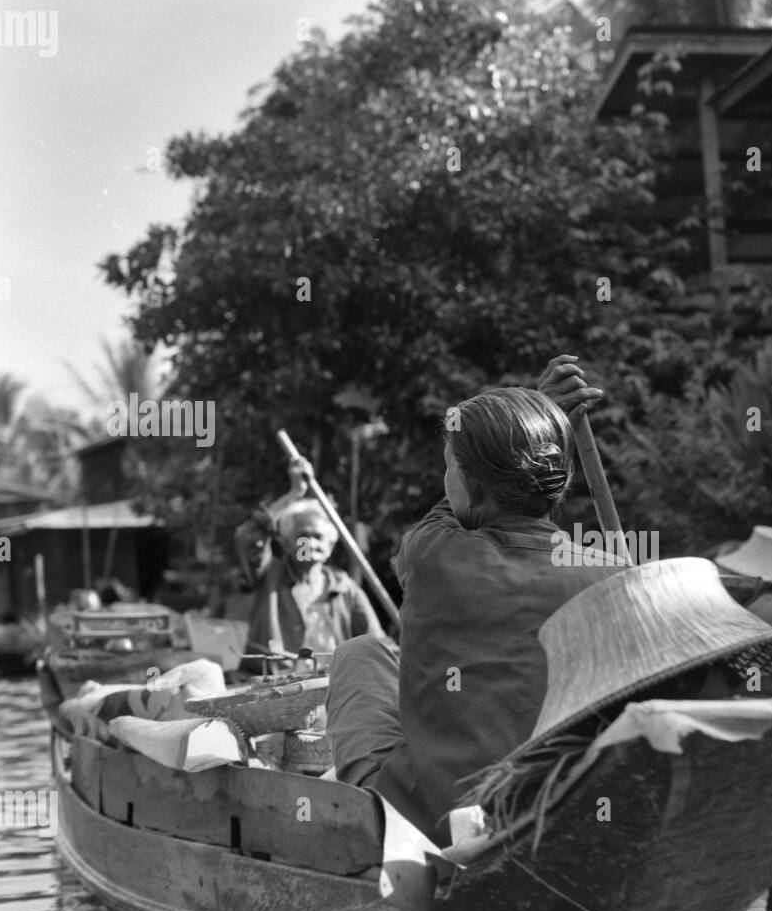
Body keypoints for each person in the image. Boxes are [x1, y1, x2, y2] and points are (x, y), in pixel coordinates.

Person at [325, 355, 624, 843]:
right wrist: (537, 424)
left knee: (359, 652)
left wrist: (538, 408)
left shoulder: (433, 554)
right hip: (559, 807)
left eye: (450, 469)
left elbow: (450, 512)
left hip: (433, 818)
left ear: (467, 483)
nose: (447, 480)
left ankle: (375, 824)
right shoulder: (611, 575)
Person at [234, 461, 383, 673]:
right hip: (276, 686)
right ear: (286, 543)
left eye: (319, 537)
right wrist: (295, 494)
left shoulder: (344, 588)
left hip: (332, 687)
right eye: (303, 537)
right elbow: (247, 537)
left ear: (330, 545)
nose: (311, 544)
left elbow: (377, 642)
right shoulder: (270, 576)